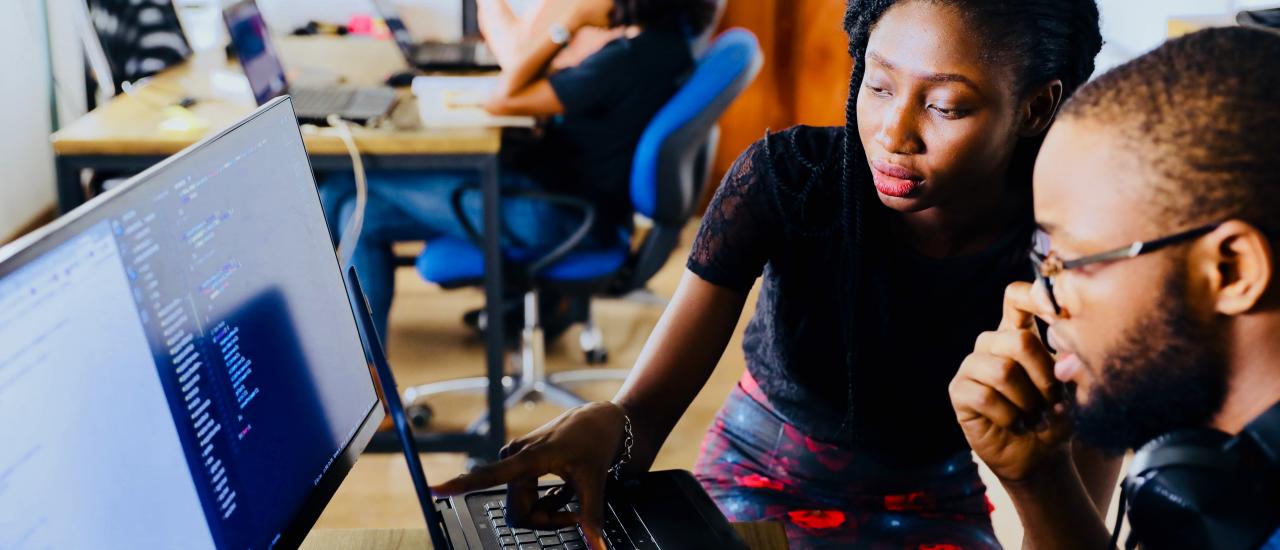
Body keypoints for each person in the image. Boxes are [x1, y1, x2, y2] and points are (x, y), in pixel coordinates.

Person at [430, 1, 1111, 549]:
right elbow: (644, 417)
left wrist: (1036, 474)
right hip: (755, 476)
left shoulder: (1074, 256)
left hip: (932, 504)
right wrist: (609, 426)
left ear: (1035, 107)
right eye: (877, 85)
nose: (892, 132)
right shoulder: (788, 181)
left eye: (945, 105)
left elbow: (1074, 524)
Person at [949, 27, 1280, 549]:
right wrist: (1040, 482)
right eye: (1042, 257)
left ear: (1232, 270)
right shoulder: (1228, 485)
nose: (1036, 295)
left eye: (1072, 259)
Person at [321, 0, 716, 342]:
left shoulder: (627, 61)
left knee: (342, 185)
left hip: (555, 215)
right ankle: (375, 385)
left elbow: (504, 97)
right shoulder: (668, 48)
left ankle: (344, 367)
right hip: (568, 203)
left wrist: (569, 23)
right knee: (361, 212)